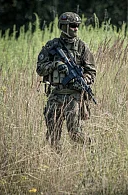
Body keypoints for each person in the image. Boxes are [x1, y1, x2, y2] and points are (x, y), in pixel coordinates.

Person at [36, 12, 96, 152]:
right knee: (53, 134)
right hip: (55, 95)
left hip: (73, 97)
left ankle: (92, 149)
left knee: (75, 133)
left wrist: (83, 81)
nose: (76, 28)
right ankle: (57, 162)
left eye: (77, 26)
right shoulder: (52, 46)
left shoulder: (82, 47)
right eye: (73, 25)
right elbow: (40, 69)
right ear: (63, 26)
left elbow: (91, 72)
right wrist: (55, 65)